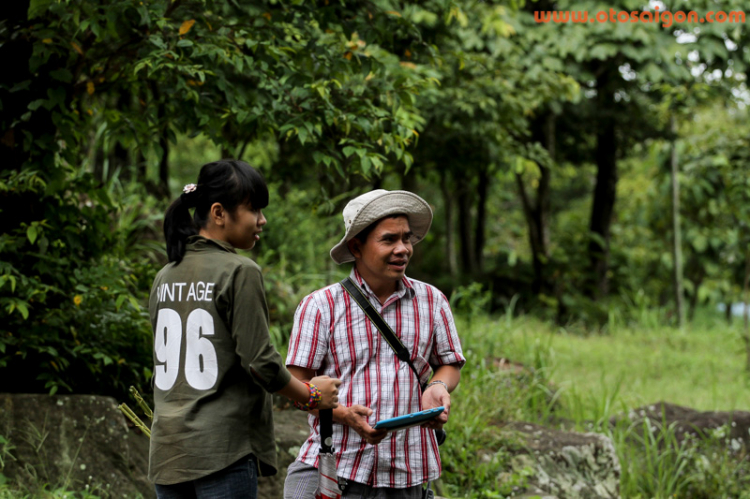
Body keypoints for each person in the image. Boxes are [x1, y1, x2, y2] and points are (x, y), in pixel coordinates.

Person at [148, 159, 341, 499]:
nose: (261, 221)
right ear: (219, 212)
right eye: (253, 209)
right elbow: (260, 363)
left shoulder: (165, 275)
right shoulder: (239, 271)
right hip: (222, 451)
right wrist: (312, 396)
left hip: (168, 453)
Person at [284, 189, 466, 498]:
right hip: (335, 469)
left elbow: (448, 362)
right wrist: (343, 415)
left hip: (407, 473)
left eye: (406, 239)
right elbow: (295, 385)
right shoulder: (321, 306)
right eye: (389, 240)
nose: (402, 249)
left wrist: (437, 386)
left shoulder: (432, 301)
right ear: (356, 246)